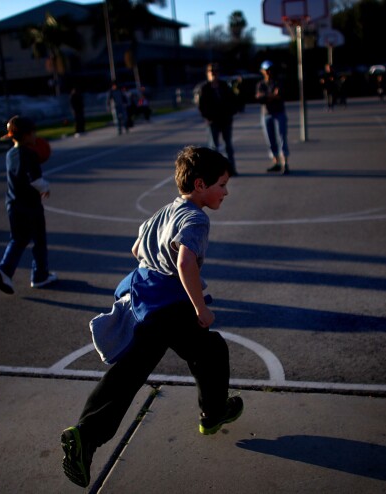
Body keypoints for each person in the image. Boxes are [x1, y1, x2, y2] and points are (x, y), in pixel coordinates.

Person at [61, 146, 242, 488]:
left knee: (130, 371)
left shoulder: (165, 210)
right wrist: (201, 308)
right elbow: (186, 262)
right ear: (201, 185)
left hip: (143, 297)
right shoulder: (196, 218)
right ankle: (213, 414)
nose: (226, 192)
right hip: (168, 304)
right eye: (222, 184)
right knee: (212, 350)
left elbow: (135, 248)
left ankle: (85, 434)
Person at [0, 116, 57, 294]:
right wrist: (45, 187)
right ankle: (40, 276)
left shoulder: (10, 154)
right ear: (27, 135)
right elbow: (34, 178)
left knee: (18, 239)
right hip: (31, 207)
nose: (35, 135)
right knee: (39, 241)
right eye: (33, 132)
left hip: (13, 204)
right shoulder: (29, 154)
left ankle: (5, 269)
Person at [198, 63, 239, 176]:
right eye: (211, 71)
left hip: (225, 120)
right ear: (208, 73)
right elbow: (201, 106)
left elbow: (233, 100)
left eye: (215, 72)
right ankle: (215, 173)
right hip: (212, 121)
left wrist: (231, 113)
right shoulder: (205, 88)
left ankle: (231, 169)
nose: (213, 74)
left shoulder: (224, 86)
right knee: (213, 147)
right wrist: (207, 117)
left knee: (228, 145)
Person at [256, 60, 289, 174]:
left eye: (270, 70)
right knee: (270, 139)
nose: (268, 72)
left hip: (279, 112)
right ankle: (276, 162)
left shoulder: (278, 82)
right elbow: (260, 98)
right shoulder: (261, 84)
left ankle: (285, 162)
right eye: (266, 70)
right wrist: (271, 96)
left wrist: (268, 96)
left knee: (281, 137)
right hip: (266, 114)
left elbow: (279, 95)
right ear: (262, 71)